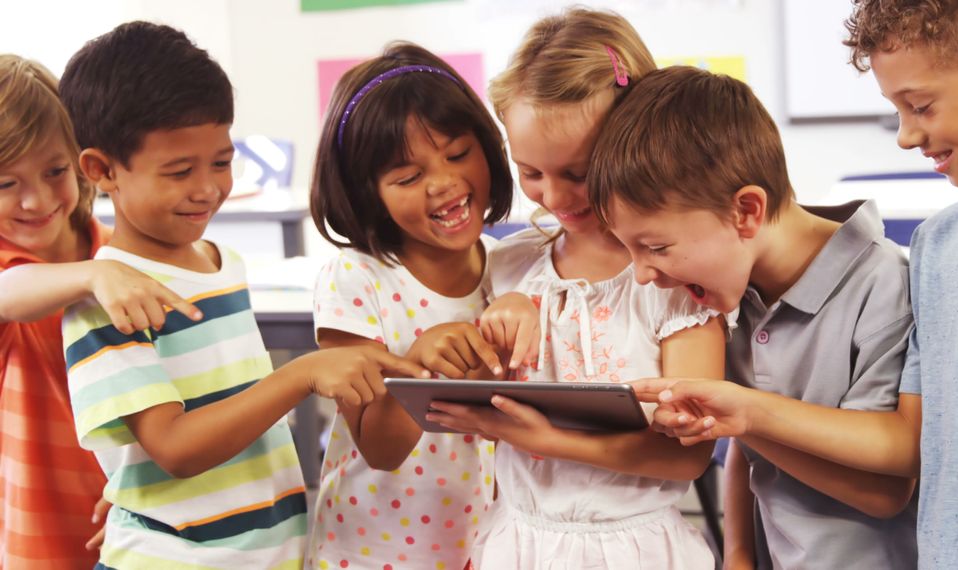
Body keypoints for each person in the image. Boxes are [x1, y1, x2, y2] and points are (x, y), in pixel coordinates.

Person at [58, 22, 424, 569]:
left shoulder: (219, 262)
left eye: (222, 162)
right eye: (179, 171)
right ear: (102, 170)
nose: (207, 188)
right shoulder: (109, 296)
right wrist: (300, 374)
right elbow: (176, 449)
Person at [425, 9, 728, 569]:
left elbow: (687, 458)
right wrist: (491, 331)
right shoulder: (507, 266)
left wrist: (546, 441)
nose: (555, 197)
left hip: (634, 550)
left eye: (578, 172)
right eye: (531, 172)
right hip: (517, 545)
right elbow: (479, 384)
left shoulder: (674, 278)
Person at [587, 65, 918, 568]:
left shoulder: (885, 284)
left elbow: (883, 493)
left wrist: (745, 415)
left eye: (655, 247)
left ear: (746, 211)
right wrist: (738, 553)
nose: (642, 275)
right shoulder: (734, 287)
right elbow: (747, 440)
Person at [304, 42, 516, 570]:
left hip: (489, 542)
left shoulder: (511, 270)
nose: (444, 184)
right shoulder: (357, 279)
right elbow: (380, 447)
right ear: (368, 193)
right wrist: (420, 365)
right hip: (380, 550)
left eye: (458, 154)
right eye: (407, 177)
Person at [0, 53, 204, 569]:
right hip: (39, 529)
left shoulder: (119, 256)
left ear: (84, 163)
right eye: (6, 183)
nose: (37, 199)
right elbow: (12, 292)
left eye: (55, 171)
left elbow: (179, 377)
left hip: (140, 521)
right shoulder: (81, 271)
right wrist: (93, 276)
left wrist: (136, 480)